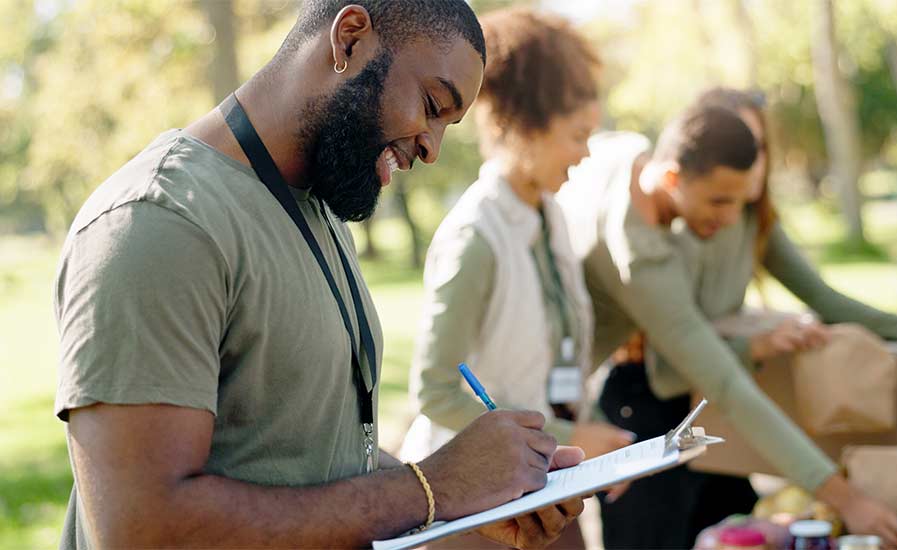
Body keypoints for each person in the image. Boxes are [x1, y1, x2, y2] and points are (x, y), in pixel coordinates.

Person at [53, 2, 587, 548]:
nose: (431, 147)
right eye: (431, 105)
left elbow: (313, 455)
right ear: (350, 39)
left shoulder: (320, 211)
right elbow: (142, 528)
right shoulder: (160, 221)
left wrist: (468, 499)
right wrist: (430, 489)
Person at [556, 104, 897, 549]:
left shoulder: (633, 155)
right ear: (672, 178)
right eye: (719, 201)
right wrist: (849, 502)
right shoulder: (639, 254)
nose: (732, 219)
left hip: (580, 388)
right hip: (546, 397)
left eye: (739, 201)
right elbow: (728, 386)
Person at [398, 9, 634, 547]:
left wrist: (597, 436)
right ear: (526, 128)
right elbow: (435, 393)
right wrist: (575, 438)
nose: (586, 153)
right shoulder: (475, 239)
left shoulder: (551, 219)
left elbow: (559, 365)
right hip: (475, 510)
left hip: (543, 489)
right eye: (577, 135)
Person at [688, 87, 897, 370]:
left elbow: (821, 296)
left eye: (757, 148)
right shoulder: (683, 226)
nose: (752, 164)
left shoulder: (755, 219)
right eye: (735, 151)